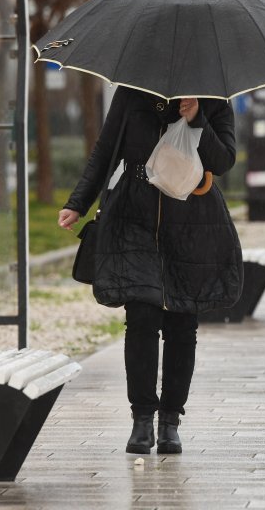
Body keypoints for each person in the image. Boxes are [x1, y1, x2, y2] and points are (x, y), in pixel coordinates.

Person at [57, 87, 243, 455]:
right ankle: (142, 418)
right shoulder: (131, 93)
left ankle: (170, 420)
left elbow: (222, 162)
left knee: (181, 319)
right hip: (133, 216)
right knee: (141, 315)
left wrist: (196, 120)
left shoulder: (214, 99)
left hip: (192, 220)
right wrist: (78, 202)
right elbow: (106, 150)